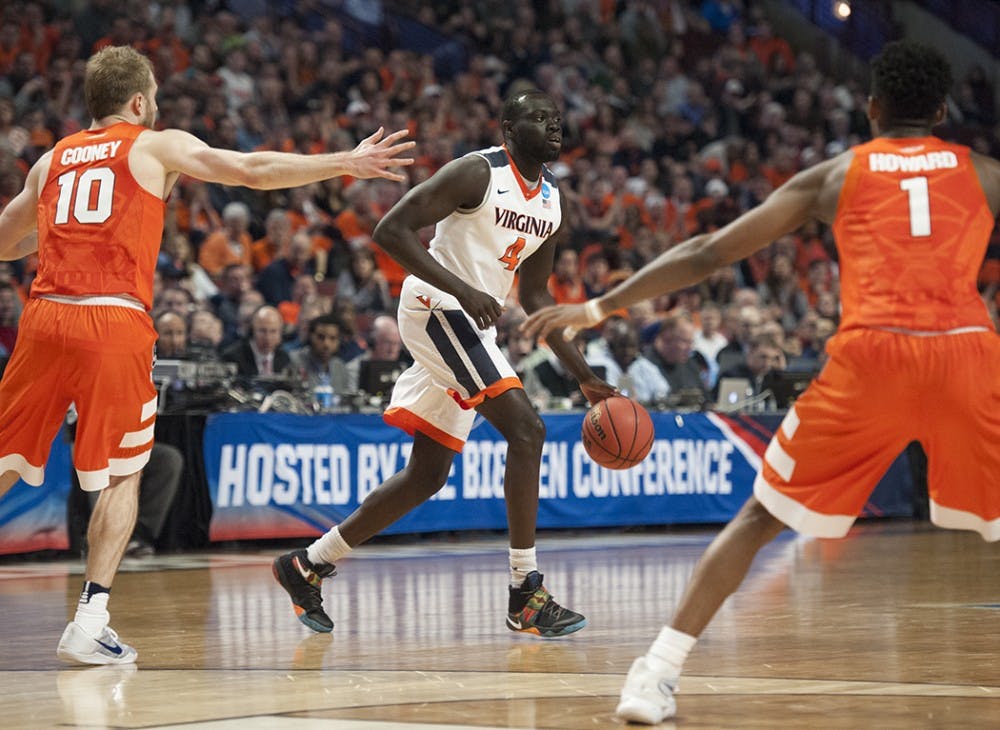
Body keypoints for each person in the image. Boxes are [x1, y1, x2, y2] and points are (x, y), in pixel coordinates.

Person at [522, 41, 1000, 723]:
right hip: (967, 354)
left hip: (874, 358)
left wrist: (597, 307)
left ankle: (654, 674)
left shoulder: (835, 176)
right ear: (944, 111)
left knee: (758, 518)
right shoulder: (983, 172)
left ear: (870, 111)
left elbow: (710, 252)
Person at [0, 45, 413, 666]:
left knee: (5, 457)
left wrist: (60, 229)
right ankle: (89, 620)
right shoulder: (153, 144)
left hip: (44, 314)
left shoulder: (51, 160)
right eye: (156, 96)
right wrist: (343, 162)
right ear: (138, 102)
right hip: (113, 317)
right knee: (122, 474)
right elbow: (250, 168)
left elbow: (7, 240)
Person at [273, 90, 614, 637]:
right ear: (507, 127)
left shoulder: (553, 200)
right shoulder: (477, 172)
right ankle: (525, 593)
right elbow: (390, 230)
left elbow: (536, 296)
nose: (553, 123)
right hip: (436, 306)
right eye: (538, 116)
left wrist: (586, 377)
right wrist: (462, 289)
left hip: (471, 323)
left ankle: (307, 564)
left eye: (557, 117)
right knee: (527, 431)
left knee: (427, 475)